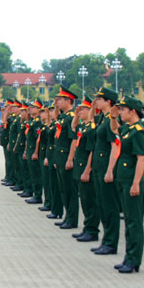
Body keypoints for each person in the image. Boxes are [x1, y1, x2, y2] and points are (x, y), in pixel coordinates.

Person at [109, 97, 144, 273]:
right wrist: (113, 117)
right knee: (129, 220)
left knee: (134, 222)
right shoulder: (128, 129)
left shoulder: (138, 132)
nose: (121, 112)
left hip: (132, 181)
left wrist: (136, 183)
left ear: (133, 111)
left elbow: (141, 159)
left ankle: (134, 259)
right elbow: (114, 129)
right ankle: (128, 257)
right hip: (124, 179)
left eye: (123, 110)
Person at [89, 87, 121, 256]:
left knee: (110, 206)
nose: (96, 102)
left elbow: (115, 146)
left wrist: (110, 170)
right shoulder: (102, 118)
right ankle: (106, 240)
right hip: (98, 166)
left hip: (106, 167)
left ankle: (111, 242)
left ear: (109, 101)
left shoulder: (111, 120)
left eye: (100, 99)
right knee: (102, 204)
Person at [73, 96, 99, 242]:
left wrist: (87, 170)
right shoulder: (85, 127)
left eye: (84, 109)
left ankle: (92, 230)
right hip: (80, 166)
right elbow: (73, 127)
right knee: (84, 200)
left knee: (90, 201)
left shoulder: (92, 129)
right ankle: (87, 227)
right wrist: (77, 115)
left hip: (85, 168)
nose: (80, 111)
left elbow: (91, 151)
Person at [53, 86, 79, 231]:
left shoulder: (71, 118)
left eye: (60, 100)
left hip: (66, 156)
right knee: (63, 189)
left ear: (68, 101)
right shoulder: (64, 117)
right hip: (60, 156)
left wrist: (70, 159)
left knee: (70, 190)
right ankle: (67, 216)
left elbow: (73, 140)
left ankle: (72, 219)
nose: (57, 102)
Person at [24, 99, 44, 205]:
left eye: (33, 107)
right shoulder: (32, 120)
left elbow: (38, 138)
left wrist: (36, 152)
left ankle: (37, 195)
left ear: (39, 109)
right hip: (30, 149)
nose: (30, 109)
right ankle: (34, 193)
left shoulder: (38, 121)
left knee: (36, 174)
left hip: (34, 150)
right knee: (32, 173)